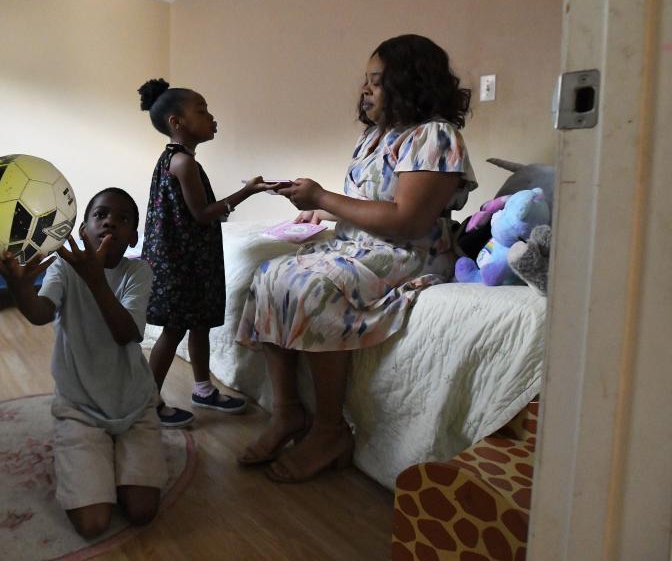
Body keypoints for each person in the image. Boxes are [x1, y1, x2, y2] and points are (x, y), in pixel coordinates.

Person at [236, 34, 478, 482]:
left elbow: (407, 219)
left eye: (377, 82)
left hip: (410, 251)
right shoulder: (374, 137)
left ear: (410, 84)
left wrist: (326, 196)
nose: (365, 91)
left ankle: (330, 432)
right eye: (366, 81)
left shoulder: (437, 135)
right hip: (362, 242)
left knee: (313, 285)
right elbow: (369, 201)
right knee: (269, 273)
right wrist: (319, 207)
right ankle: (287, 412)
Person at [0, 187, 164, 538]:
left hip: (134, 405)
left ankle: (114, 450)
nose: (110, 221)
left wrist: (96, 282)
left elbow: (127, 333)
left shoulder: (138, 272)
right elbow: (39, 313)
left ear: (134, 237)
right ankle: (91, 449)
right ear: (82, 230)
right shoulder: (63, 267)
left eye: (123, 219)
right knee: (92, 523)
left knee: (142, 511)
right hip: (79, 407)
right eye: (101, 214)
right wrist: (18, 287)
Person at [138, 78, 281, 428]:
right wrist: (248, 191)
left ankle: (202, 389)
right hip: (179, 263)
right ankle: (147, 402)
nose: (211, 117)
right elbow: (202, 213)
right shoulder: (182, 163)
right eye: (201, 111)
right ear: (177, 122)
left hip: (192, 258)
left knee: (199, 323)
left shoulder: (180, 160)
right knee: (174, 330)